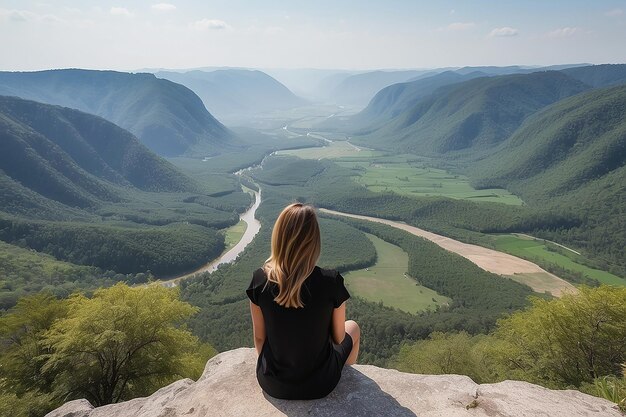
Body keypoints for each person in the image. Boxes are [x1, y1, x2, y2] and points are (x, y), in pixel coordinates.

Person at [246, 202, 360, 400]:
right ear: (314, 241)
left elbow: (259, 339)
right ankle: (346, 374)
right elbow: (339, 338)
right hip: (321, 384)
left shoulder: (259, 280)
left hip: (273, 384)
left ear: (279, 237)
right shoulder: (331, 281)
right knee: (353, 327)